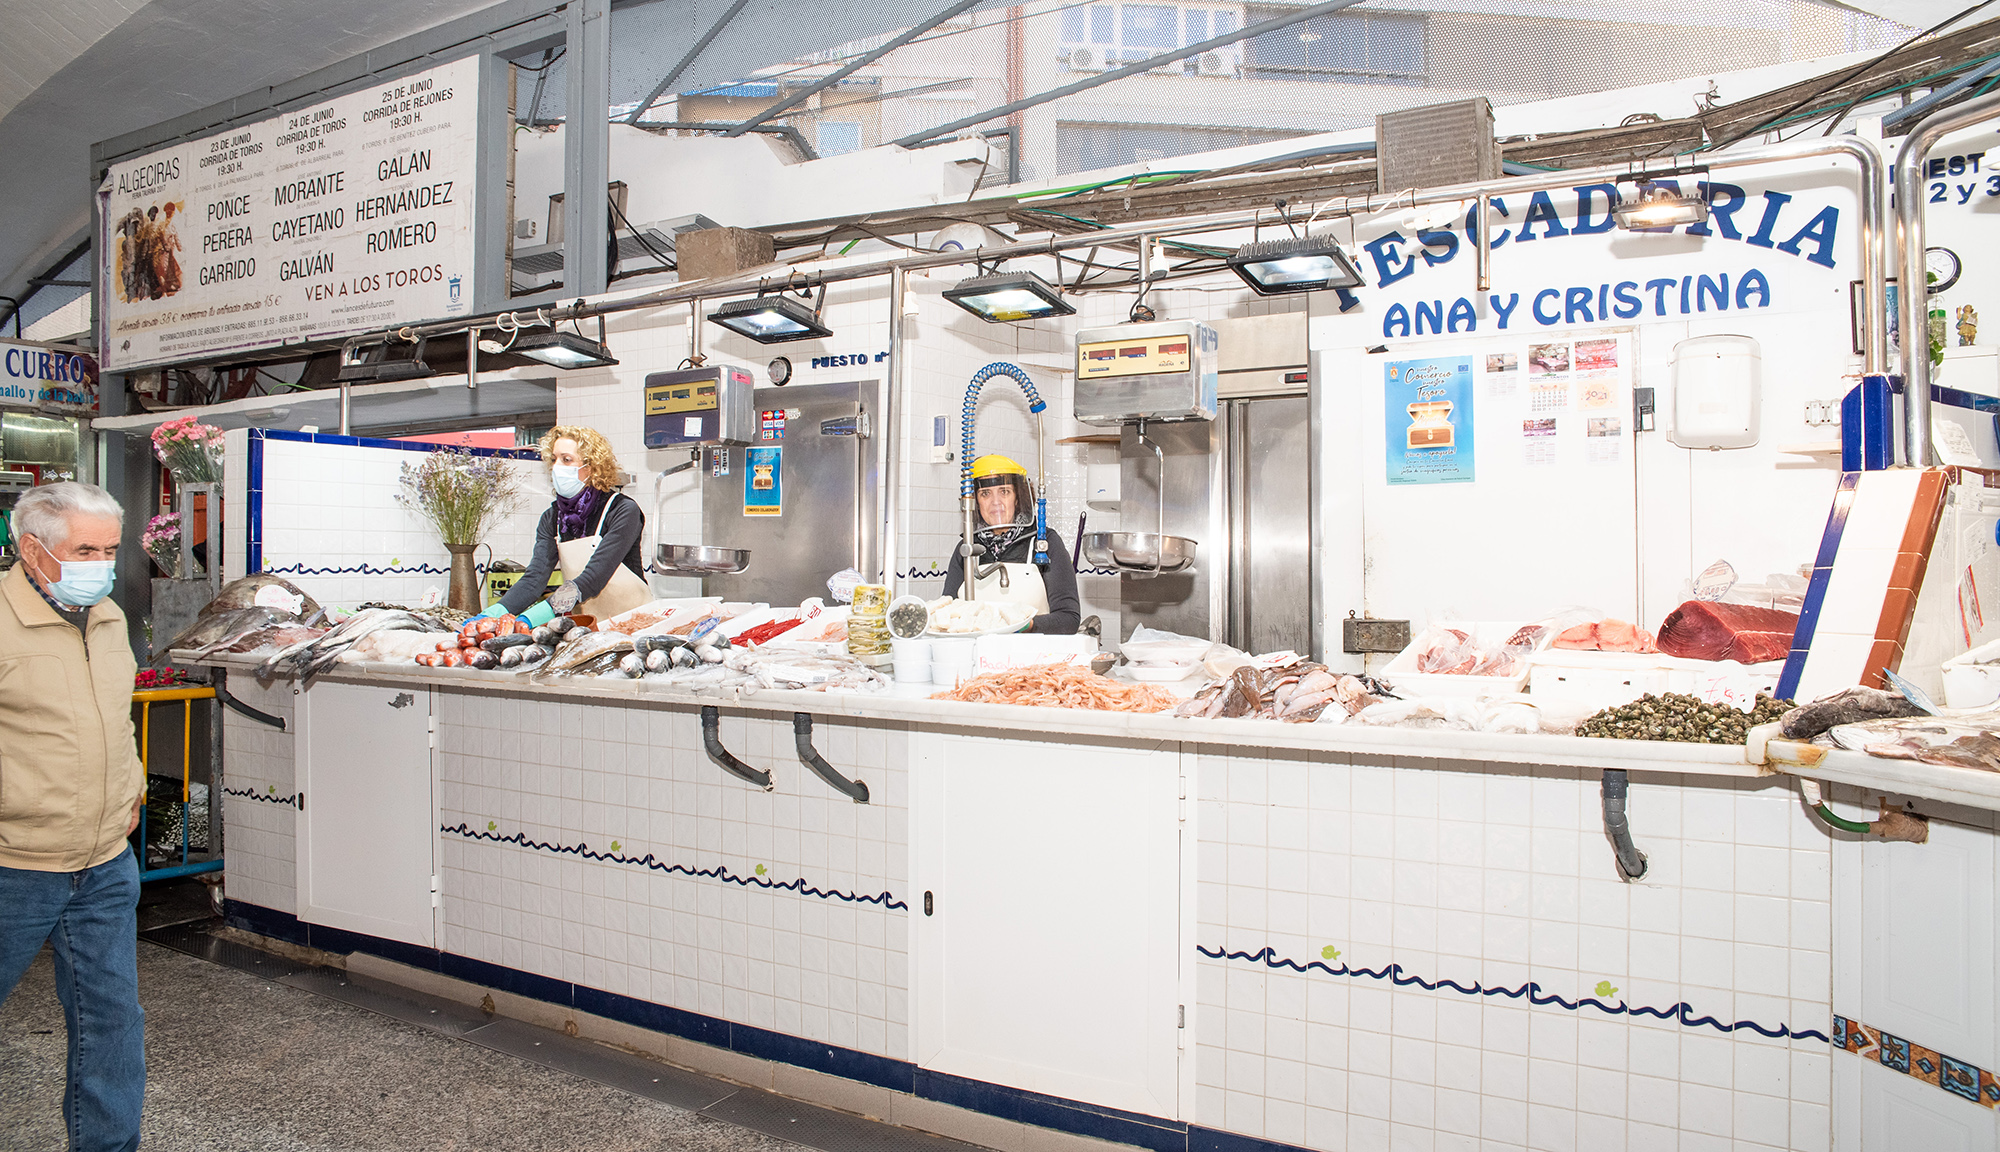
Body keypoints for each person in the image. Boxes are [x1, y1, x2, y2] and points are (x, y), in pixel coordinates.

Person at [0, 481, 147, 1152]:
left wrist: (131, 791)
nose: (102, 564)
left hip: (105, 868)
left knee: (112, 1025)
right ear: (33, 550)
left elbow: (112, 720)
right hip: (15, 866)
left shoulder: (110, 616)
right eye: (85, 549)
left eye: (110, 549)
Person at [487, 426, 651, 623]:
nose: (557, 466)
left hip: (634, 621)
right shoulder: (552, 518)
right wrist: (496, 613)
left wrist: (533, 617)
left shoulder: (622, 510)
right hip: (588, 623)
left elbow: (593, 578)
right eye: (554, 459)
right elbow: (534, 580)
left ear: (591, 468)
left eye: (566, 459)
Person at [942, 454, 1080, 635]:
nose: (995, 502)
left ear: (1017, 498)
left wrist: (1024, 625)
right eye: (985, 494)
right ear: (975, 502)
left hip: (1035, 657)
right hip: (979, 656)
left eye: (1004, 491)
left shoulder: (1044, 543)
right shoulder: (967, 549)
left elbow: (1068, 619)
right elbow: (948, 616)